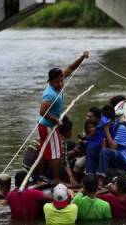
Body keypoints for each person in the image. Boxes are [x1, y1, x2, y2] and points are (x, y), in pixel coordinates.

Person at [38, 51, 89, 182]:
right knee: (56, 154)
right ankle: (56, 179)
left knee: (46, 151)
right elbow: (42, 111)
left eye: (61, 80)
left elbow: (71, 68)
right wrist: (57, 121)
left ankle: (41, 175)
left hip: (45, 125)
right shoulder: (49, 95)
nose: (60, 84)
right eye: (56, 82)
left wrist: (82, 58)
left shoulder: (60, 79)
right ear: (50, 81)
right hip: (49, 126)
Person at [97, 106, 126, 188]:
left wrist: (106, 130)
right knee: (95, 149)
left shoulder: (121, 128)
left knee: (105, 151)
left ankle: (100, 180)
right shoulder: (106, 128)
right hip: (114, 155)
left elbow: (113, 146)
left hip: (125, 158)